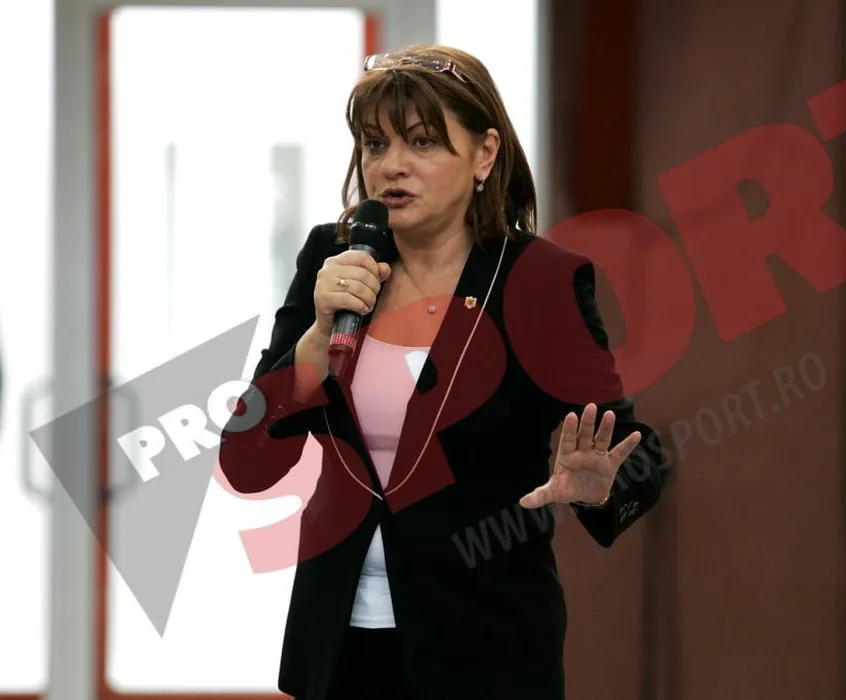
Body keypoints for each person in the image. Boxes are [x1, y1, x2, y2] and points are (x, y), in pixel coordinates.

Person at [218, 44, 667, 700]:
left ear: (484, 154)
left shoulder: (537, 282)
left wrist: (601, 487)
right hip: (339, 645)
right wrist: (315, 340)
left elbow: (639, 458)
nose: (391, 165)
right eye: (375, 144)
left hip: (485, 649)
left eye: (423, 142)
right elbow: (245, 461)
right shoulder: (332, 258)